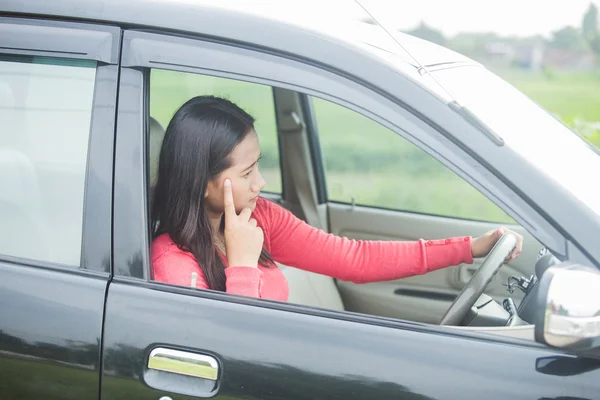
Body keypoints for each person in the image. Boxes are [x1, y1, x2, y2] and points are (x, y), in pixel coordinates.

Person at [151, 95, 523, 300]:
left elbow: (354, 259)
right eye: (247, 174)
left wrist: (468, 247)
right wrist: (244, 265)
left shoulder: (258, 217)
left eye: (258, 167)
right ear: (201, 181)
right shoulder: (172, 263)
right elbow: (224, 352)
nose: (261, 183)